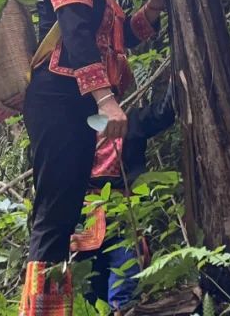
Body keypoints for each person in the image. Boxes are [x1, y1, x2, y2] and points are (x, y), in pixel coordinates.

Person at [19, 0, 165, 315]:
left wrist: (155, 5)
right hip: (59, 104)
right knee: (55, 216)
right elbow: (79, 38)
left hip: (74, 107)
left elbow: (121, 40)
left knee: (62, 216)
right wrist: (105, 99)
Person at [72, 88, 176, 313]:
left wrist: (177, 74)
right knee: (88, 286)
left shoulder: (131, 123)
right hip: (84, 218)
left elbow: (162, 113)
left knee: (126, 278)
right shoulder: (74, 131)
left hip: (122, 213)